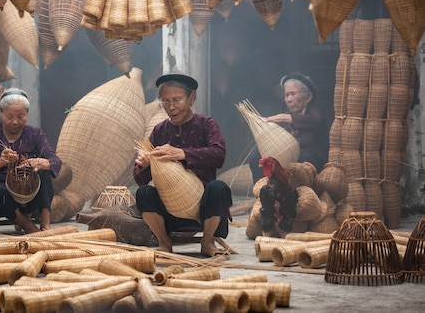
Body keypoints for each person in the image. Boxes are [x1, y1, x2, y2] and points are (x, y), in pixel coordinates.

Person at [133, 73, 232, 257]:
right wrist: (145, 165)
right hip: (170, 207)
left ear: (191, 97)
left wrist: (183, 154)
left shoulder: (206, 124)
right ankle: (164, 241)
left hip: (204, 207)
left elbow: (219, 155)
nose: (171, 107)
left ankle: (207, 241)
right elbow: (140, 179)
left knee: (218, 188)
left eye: (177, 100)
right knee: (144, 193)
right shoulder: (160, 130)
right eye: (166, 102)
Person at [0, 88, 61, 233]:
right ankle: (27, 226)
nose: (15, 121)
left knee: (44, 175)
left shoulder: (35, 134)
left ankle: (45, 221)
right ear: (1, 113)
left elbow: (55, 161)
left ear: (27, 114)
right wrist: (0, 162)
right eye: (9, 116)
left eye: (21, 116)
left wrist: (43, 163)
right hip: (0, 198)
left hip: (30, 193)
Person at [249, 72, 329, 183]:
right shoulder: (284, 119)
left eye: (293, 94)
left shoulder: (316, 113)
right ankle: (262, 191)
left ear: (308, 97)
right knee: (256, 158)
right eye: (287, 95)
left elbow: (315, 122)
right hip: (288, 160)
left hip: (311, 160)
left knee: (306, 158)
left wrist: (280, 117)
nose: (289, 99)